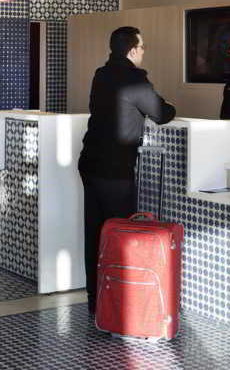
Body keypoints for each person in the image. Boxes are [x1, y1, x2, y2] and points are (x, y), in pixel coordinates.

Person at [77, 26, 176, 315]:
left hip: (90, 162)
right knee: (120, 235)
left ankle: (95, 299)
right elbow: (162, 113)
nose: (143, 51)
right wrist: (166, 104)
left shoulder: (101, 74)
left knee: (95, 233)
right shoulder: (134, 78)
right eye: (142, 47)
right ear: (132, 50)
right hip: (115, 168)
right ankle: (119, 304)